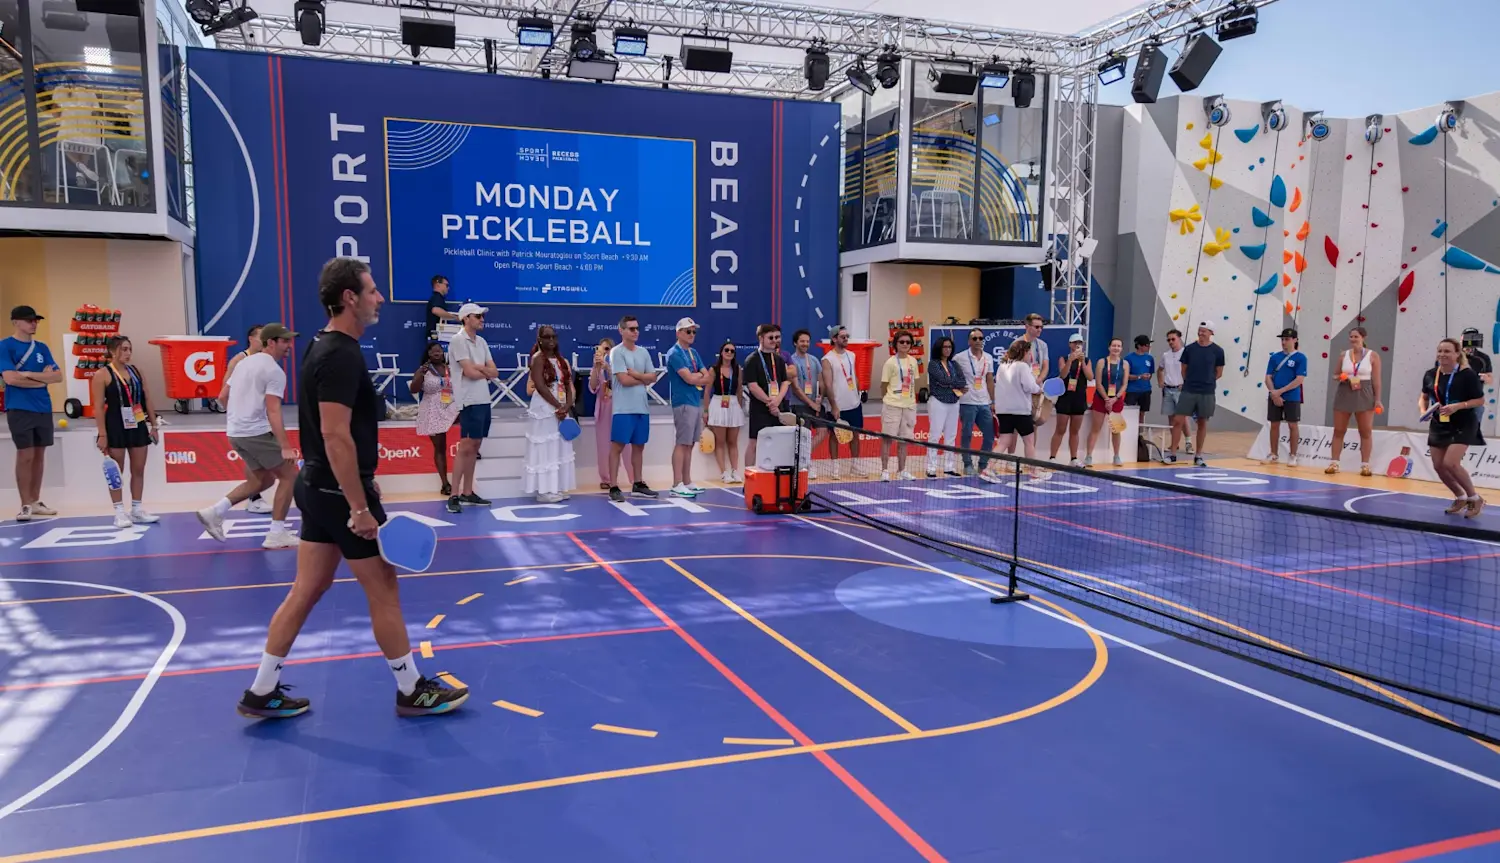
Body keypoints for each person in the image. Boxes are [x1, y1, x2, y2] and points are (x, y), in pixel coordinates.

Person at [237, 257, 468, 720]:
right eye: (372, 290)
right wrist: (359, 505)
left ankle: (261, 690)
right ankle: (411, 689)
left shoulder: (321, 346)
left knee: (307, 588)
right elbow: (334, 434)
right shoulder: (339, 354)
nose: (379, 298)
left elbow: (334, 437)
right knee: (383, 587)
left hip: (317, 487)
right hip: (342, 498)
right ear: (350, 298)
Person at [198, 323, 300, 549]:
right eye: (284, 341)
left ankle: (215, 511)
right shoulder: (274, 371)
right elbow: (274, 410)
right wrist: (285, 446)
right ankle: (277, 533)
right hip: (255, 432)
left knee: (263, 479)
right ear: (270, 342)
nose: (289, 346)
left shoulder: (243, 363)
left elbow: (223, 396)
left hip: (235, 432)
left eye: (290, 341)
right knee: (290, 475)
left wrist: (239, 415)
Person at [90, 336, 160, 528]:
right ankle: (119, 511)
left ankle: (136, 510)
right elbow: (97, 407)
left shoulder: (137, 371)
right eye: (123, 349)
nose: (128, 353)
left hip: (137, 422)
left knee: (138, 469)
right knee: (116, 472)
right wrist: (102, 434)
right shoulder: (102, 375)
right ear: (112, 351)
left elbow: (147, 399)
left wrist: (153, 426)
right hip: (115, 425)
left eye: (130, 349)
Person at [0, 305, 61, 522]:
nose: (33, 323)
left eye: (35, 320)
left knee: (39, 455)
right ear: (15, 322)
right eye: (28, 320)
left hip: (43, 407)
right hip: (19, 407)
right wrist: (40, 379)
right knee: (25, 455)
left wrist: (27, 375)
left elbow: (57, 377)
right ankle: (25, 503)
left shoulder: (42, 348)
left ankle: (35, 500)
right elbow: (10, 379)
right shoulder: (5, 346)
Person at [1422, 338, 1486, 517]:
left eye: (1447, 351)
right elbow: (1424, 397)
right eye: (1440, 351)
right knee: (1438, 466)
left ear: (1457, 354)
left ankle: (1475, 498)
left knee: (1450, 463)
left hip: (1463, 423)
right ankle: (1460, 496)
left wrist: (1458, 406)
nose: (1442, 354)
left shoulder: (1467, 375)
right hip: (1439, 423)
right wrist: (1424, 411)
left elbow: (1480, 400)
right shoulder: (1430, 374)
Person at [446, 303, 497, 513]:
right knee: (466, 446)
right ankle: (454, 495)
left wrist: (479, 368)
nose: (482, 320)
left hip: (484, 400)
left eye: (482, 317)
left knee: (475, 447)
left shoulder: (482, 341)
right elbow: (469, 372)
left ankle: (468, 491)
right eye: (478, 316)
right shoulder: (458, 340)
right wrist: (480, 369)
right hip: (468, 401)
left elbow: (494, 372)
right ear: (466, 318)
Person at [607, 315, 660, 502]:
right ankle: (613, 486)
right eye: (631, 329)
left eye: (637, 328)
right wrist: (643, 378)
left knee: (639, 447)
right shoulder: (616, 352)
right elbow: (623, 380)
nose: (635, 331)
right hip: (623, 409)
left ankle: (637, 483)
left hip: (641, 408)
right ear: (621, 330)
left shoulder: (643, 352)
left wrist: (637, 374)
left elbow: (653, 377)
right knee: (617, 447)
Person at [221, 324, 273, 515]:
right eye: (261, 337)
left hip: (261, 419)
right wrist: (235, 414)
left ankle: (254, 497)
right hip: (245, 423)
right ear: (251, 338)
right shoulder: (239, 360)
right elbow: (223, 393)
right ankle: (254, 498)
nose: (264, 341)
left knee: (259, 463)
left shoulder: (265, 361)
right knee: (256, 462)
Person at [525, 325, 576, 503]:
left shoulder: (561, 360)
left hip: (560, 407)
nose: (551, 341)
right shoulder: (537, 359)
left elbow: (568, 383)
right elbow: (539, 385)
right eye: (547, 337)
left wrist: (567, 406)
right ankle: (545, 490)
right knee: (546, 447)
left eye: (554, 337)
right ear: (540, 340)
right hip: (544, 409)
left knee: (559, 446)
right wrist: (557, 407)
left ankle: (557, 487)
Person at [1326, 326, 1384, 476]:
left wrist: (1378, 400)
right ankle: (1334, 463)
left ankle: (1365, 465)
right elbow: (1334, 375)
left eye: (1356, 337)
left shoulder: (1373, 356)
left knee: (1365, 431)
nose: (1353, 339)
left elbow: (1377, 380)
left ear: (1363, 338)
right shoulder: (1343, 355)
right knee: (1339, 430)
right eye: (1351, 337)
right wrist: (1342, 377)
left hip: (1364, 392)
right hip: (1345, 391)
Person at [665, 317, 712, 497]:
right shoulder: (675, 353)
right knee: (682, 443)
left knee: (690, 443)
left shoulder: (693, 353)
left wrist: (697, 377)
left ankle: (687, 481)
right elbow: (690, 378)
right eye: (688, 331)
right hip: (683, 402)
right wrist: (697, 377)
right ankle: (677, 483)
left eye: (693, 331)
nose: (692, 334)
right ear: (678, 333)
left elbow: (707, 376)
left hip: (694, 401)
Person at [410, 340, 460, 496]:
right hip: (432, 410)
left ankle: (475, 450)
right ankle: (445, 484)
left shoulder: (450, 369)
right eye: (433, 351)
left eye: (439, 350)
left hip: (451, 406)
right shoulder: (423, 370)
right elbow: (414, 389)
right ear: (428, 354)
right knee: (440, 447)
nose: (437, 353)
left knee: (470, 419)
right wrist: (421, 374)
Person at [1170, 322, 1225, 467]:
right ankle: (1173, 454)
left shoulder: (1218, 351)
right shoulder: (1189, 349)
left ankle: (1198, 455)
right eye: (1199, 331)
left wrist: (1206, 381)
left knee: (1202, 422)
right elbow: (1183, 370)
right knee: (1178, 420)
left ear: (1211, 333)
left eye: (1204, 331)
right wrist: (1190, 381)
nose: (1201, 333)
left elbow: (1219, 373)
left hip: (1207, 392)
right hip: (1189, 390)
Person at [991, 339, 1043, 481]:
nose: (1030, 356)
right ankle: (1034, 472)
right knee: (1029, 442)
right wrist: (1039, 389)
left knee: (1003, 442)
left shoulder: (1002, 366)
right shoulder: (1022, 367)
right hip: (1020, 412)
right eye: (1029, 352)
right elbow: (1029, 387)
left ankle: (988, 469)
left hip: (1003, 411)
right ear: (1024, 352)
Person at [744, 323, 791, 469]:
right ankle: (749, 475)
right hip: (760, 408)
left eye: (777, 337)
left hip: (778, 407)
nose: (775, 340)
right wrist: (769, 402)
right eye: (771, 337)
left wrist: (777, 401)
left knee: (778, 440)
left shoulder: (779, 359)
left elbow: (785, 382)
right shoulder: (752, 360)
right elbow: (752, 385)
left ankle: (773, 475)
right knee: (754, 442)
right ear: (761, 338)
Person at [819, 325, 864, 479]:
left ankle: (855, 466)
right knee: (834, 436)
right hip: (838, 405)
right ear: (834, 339)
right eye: (842, 336)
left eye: (847, 336)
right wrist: (834, 406)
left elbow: (854, 376)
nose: (846, 339)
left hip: (854, 403)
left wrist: (859, 392)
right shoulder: (827, 359)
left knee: (856, 434)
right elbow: (828, 384)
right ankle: (835, 469)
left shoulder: (852, 355)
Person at [787, 329, 829, 477]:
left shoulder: (814, 360)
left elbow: (820, 381)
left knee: (823, 431)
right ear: (795, 343)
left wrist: (820, 397)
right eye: (802, 341)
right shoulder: (791, 362)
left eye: (807, 341)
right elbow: (796, 388)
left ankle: (805, 458)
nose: (805, 344)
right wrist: (810, 404)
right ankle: (805, 464)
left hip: (815, 403)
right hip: (799, 404)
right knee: (803, 434)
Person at [1263, 328, 1308, 467]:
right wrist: (1273, 392)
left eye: (1287, 339)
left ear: (1295, 340)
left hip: (1292, 396)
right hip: (1274, 395)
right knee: (1274, 424)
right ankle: (1273, 454)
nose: (1284, 342)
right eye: (1282, 339)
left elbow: (1299, 379)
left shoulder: (1300, 358)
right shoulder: (1275, 357)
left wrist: (1280, 391)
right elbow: (1268, 377)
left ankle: (1293, 455)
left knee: (1292, 425)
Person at [878, 330, 919, 481]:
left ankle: (902, 471)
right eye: (902, 342)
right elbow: (883, 385)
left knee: (904, 440)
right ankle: (884, 470)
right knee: (887, 439)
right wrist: (889, 400)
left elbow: (914, 382)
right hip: (892, 405)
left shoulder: (913, 361)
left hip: (908, 406)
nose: (905, 345)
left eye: (908, 342)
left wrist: (911, 401)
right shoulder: (890, 363)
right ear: (895, 344)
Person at [588, 337, 628, 490]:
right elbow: (592, 387)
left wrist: (608, 368)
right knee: (603, 446)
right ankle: (606, 478)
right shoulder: (597, 368)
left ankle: (633, 476)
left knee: (625, 444)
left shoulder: (619, 366)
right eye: (601, 349)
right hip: (603, 409)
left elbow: (621, 384)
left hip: (619, 408)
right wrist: (596, 367)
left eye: (607, 349)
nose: (604, 352)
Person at [956, 328, 995, 476]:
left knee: (990, 435)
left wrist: (993, 401)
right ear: (969, 341)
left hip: (984, 402)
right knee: (967, 434)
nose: (978, 341)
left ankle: (983, 465)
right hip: (967, 402)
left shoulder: (989, 358)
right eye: (975, 338)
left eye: (980, 338)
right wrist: (958, 392)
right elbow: (953, 378)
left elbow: (989, 380)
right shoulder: (959, 358)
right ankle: (967, 464)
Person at [1049, 333, 1092, 466]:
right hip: (1065, 397)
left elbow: (1090, 377)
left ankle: (1073, 458)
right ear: (1070, 344)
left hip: (1079, 398)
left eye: (1079, 342)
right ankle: (1052, 457)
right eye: (1074, 342)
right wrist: (1070, 360)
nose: (1077, 345)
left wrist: (1082, 362)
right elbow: (1062, 374)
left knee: (1075, 430)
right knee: (1060, 429)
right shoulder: (1063, 358)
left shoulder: (1087, 360)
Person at [924, 335, 964, 477]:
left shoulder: (955, 364)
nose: (947, 349)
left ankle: (949, 466)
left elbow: (962, 381)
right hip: (938, 401)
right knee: (935, 435)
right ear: (939, 348)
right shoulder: (933, 364)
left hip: (954, 402)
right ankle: (931, 467)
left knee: (951, 436)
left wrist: (951, 383)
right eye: (945, 347)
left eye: (949, 347)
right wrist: (953, 382)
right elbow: (942, 379)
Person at [706, 340, 745, 483]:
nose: (729, 353)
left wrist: (740, 407)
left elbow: (740, 389)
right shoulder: (713, 370)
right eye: (727, 350)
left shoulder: (738, 369)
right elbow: (707, 391)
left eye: (732, 351)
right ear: (721, 352)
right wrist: (705, 411)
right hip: (718, 403)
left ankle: (735, 470)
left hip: (733, 404)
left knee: (732, 442)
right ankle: (724, 472)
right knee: (720, 442)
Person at [1085, 337, 1128, 467]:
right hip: (1100, 398)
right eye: (1114, 345)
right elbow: (1098, 383)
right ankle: (1089, 456)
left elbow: (1125, 384)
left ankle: (1116, 456)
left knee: (1116, 429)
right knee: (1095, 428)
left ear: (1121, 349)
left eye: (1119, 346)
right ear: (1109, 347)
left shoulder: (1125, 364)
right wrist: (1106, 399)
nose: (1116, 348)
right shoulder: (1101, 362)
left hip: (1116, 400)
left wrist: (1115, 398)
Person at [1021, 313, 1051, 428]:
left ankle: (1030, 447)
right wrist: (1028, 383)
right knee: (1016, 426)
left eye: (1041, 327)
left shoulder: (1042, 345)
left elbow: (1045, 366)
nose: (1040, 330)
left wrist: (1039, 380)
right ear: (1027, 327)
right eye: (1036, 327)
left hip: (1037, 388)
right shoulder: (1018, 344)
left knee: (1034, 423)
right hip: (1022, 390)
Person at [1124, 335, 1156, 422]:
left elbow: (1151, 373)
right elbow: (1125, 375)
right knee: (1129, 412)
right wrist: (1139, 376)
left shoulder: (1150, 358)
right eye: (1146, 345)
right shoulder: (1128, 358)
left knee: (1142, 413)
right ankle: (1129, 432)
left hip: (1145, 389)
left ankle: (1139, 433)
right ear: (1139, 346)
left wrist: (1147, 377)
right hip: (1132, 390)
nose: (1149, 347)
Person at [1157, 328, 1185, 423]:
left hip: (1181, 389)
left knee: (1182, 418)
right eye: (1168, 340)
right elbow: (1160, 369)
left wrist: (1186, 384)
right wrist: (1160, 382)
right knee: (1171, 417)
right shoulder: (1166, 355)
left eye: (1173, 339)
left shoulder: (1186, 353)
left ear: (1179, 338)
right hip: (1168, 389)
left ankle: (1187, 438)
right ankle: (1174, 438)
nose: (1170, 342)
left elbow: (1193, 371)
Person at [425, 275, 458, 344]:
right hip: (436, 337)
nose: (448, 288)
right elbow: (436, 310)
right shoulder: (437, 297)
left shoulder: (437, 298)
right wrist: (455, 318)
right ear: (438, 285)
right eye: (446, 285)